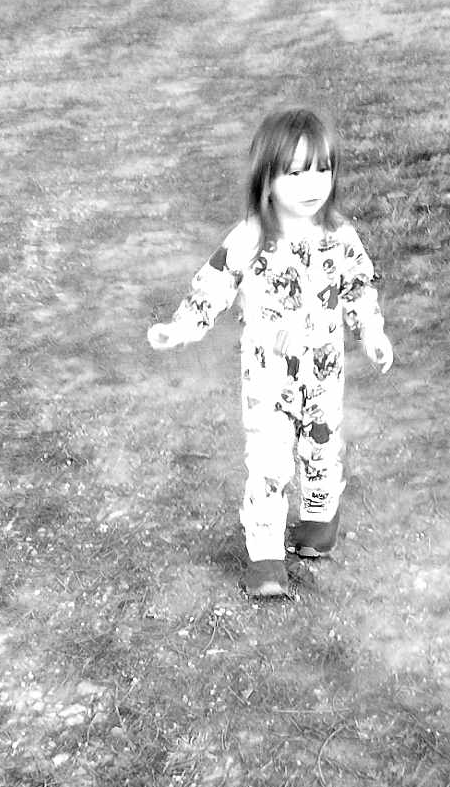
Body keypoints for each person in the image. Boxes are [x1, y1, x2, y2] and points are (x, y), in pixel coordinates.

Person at [147, 107, 394, 600]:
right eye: (296, 171)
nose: (312, 183)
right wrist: (182, 328)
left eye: (322, 169)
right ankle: (265, 560)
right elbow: (212, 286)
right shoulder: (249, 240)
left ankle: (317, 528)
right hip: (267, 383)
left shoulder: (340, 237)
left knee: (322, 451)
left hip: (324, 380)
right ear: (267, 179)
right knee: (268, 461)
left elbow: (359, 288)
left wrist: (371, 332)